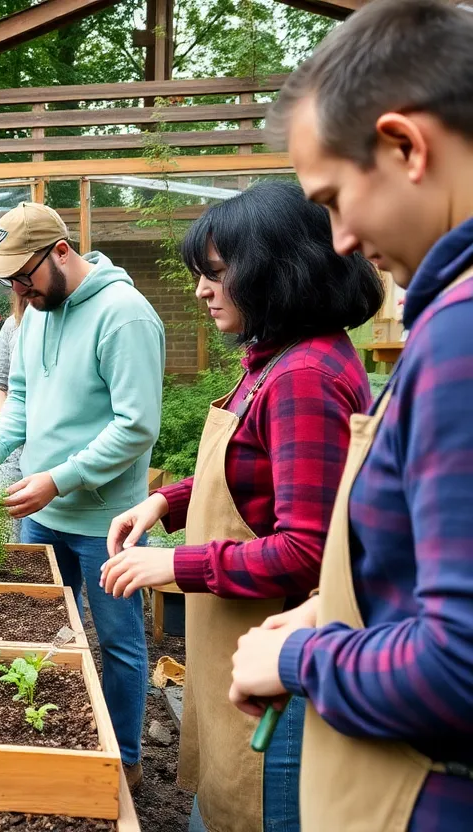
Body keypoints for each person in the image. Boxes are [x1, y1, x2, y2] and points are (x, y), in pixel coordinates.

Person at [227, 1, 473, 829]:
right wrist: (335, 607)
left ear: (406, 146)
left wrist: (299, 653)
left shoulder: (460, 334)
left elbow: (461, 666)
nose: (336, 239)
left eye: (334, 199)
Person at [99, 181, 382, 832]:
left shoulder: (304, 377)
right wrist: (163, 503)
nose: (201, 289)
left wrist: (173, 566)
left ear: (279, 271)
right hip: (244, 659)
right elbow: (254, 473)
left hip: (280, 686)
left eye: (218, 274)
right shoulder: (273, 359)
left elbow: (307, 552)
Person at [0, 202, 166, 788]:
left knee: (118, 642)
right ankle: (48, 742)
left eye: (24, 275)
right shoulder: (33, 317)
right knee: (41, 632)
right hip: (41, 514)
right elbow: (20, 402)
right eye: (9, 280)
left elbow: (135, 427)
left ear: (62, 252)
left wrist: (59, 478)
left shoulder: (124, 315)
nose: (18, 288)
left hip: (107, 520)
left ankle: (124, 761)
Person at [0, 292, 29, 541]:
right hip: (15, 456)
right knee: (22, 544)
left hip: (60, 458)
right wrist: (12, 427)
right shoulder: (13, 324)